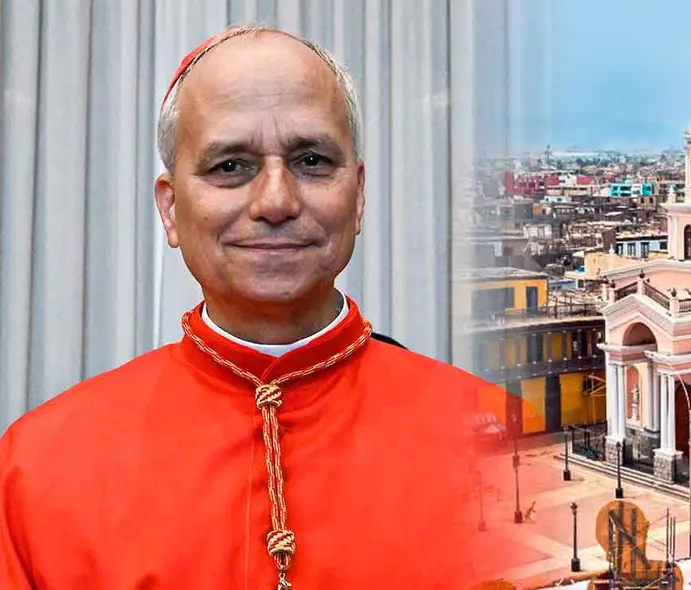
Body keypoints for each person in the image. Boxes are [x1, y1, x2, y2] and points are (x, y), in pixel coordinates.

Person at [0, 24, 513, 589]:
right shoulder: (41, 466)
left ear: (359, 195)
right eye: (230, 166)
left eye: (312, 160)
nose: (276, 201)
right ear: (170, 210)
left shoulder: (503, 437)